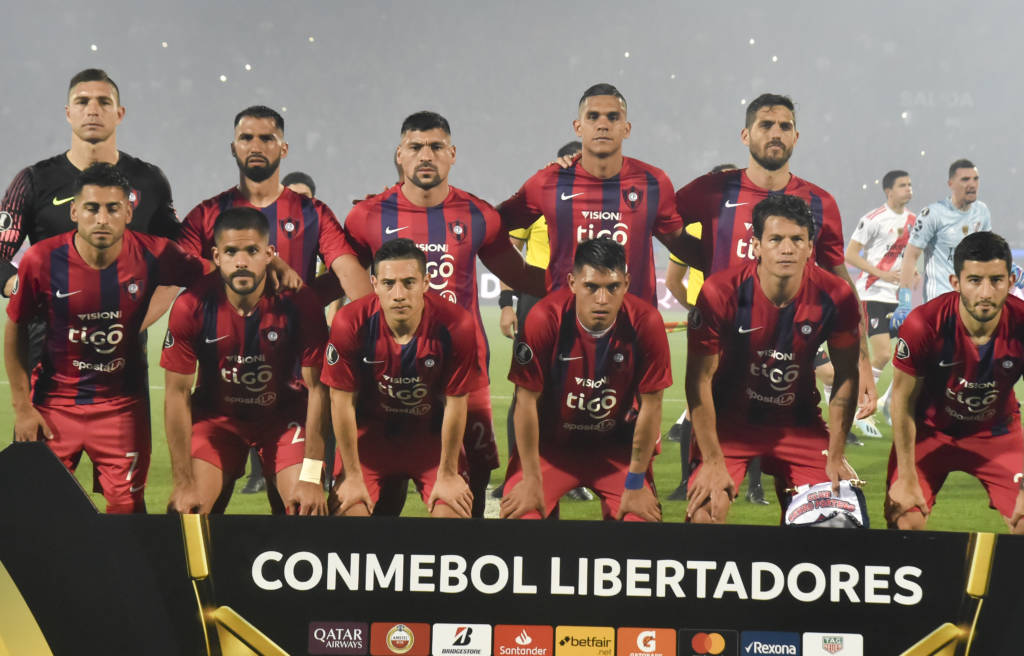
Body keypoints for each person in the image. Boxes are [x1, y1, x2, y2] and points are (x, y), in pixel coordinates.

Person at [342, 111, 546, 517]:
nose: (426, 155)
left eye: (436, 147)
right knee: (387, 481)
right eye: (415, 147)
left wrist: (579, 283)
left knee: (472, 480)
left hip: (464, 370)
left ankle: (465, 556)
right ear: (399, 154)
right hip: (388, 372)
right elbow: (342, 279)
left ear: (452, 154)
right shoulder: (367, 216)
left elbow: (520, 275)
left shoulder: (478, 215)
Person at [4, 163, 205, 513]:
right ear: (74, 212)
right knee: (38, 512)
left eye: (112, 209)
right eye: (92, 208)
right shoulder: (41, 259)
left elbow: (214, 275)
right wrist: (23, 408)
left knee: (127, 514)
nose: (101, 219)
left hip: (122, 410)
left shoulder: (155, 253)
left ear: (128, 212)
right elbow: (15, 329)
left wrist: (273, 270)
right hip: (53, 406)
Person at [675, 93, 876, 417]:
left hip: (789, 372)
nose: (776, 133)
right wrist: (703, 257)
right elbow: (659, 222)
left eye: (785, 126)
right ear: (745, 135)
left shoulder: (819, 202)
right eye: (766, 125)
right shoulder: (712, 190)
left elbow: (841, 286)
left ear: (796, 136)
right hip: (720, 365)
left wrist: (862, 361)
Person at [685, 194, 861, 524]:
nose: (787, 249)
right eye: (776, 239)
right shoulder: (720, 291)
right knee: (705, 516)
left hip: (799, 425)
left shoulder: (836, 296)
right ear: (756, 246)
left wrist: (836, 454)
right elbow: (698, 380)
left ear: (810, 248)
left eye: (797, 239)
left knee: (834, 522)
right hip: (729, 426)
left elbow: (847, 375)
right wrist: (711, 460)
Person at [0, 68, 181, 367]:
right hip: (47, 354)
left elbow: (181, 256)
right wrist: (19, 288)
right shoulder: (34, 180)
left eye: (104, 102)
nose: (93, 110)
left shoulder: (149, 181)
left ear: (119, 113)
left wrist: (135, 322)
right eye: (82, 102)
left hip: (122, 361)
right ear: (68, 113)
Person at [161, 207, 328, 514]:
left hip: (283, 419)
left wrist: (311, 476)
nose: (241, 262)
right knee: (188, 512)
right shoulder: (191, 305)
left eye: (251, 251)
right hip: (216, 420)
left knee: (306, 508)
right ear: (216, 256)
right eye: (230, 252)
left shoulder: (300, 302)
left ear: (269, 254)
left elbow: (319, 389)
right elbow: (176, 393)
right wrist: (183, 482)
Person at [500, 238, 669, 521]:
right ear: (573, 282)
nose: (602, 299)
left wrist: (635, 482)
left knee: (640, 526)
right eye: (591, 287)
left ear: (626, 284)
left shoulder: (646, 322)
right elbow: (525, 402)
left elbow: (652, 406)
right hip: (550, 451)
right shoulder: (544, 318)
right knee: (522, 521)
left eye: (612, 287)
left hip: (616, 453)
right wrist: (531, 479)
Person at [497, 82, 700, 306]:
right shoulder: (549, 181)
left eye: (613, 117)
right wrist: (532, 282)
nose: (603, 125)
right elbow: (492, 225)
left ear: (626, 129)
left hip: (634, 323)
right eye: (593, 117)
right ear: (578, 127)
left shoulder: (654, 182)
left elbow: (680, 244)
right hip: (567, 321)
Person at [322, 239, 484, 518]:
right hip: (370, 440)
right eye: (388, 283)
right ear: (374, 284)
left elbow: (456, 404)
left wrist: (448, 474)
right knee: (349, 519)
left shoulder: (456, 324)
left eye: (409, 283)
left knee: (452, 520)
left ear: (426, 283)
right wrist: (352, 475)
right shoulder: (350, 322)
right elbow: (341, 403)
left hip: (431, 440)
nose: (398, 294)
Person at [885, 231, 1024, 533]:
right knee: (906, 521)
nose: (986, 293)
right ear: (955, 282)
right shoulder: (924, 324)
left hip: (997, 434)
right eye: (974, 280)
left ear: (1011, 281)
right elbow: (902, 401)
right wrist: (906, 477)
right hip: (929, 432)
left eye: (996, 280)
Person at [178, 105, 370, 306]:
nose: (256, 147)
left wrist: (308, 298)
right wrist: (249, 266)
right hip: (223, 326)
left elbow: (347, 272)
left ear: (284, 149)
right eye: (246, 138)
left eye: (266, 139)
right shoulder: (206, 214)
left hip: (295, 326)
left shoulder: (314, 213)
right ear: (233, 148)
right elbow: (178, 266)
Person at [495, 139, 594, 503]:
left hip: (584, 301)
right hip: (536, 301)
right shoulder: (540, 199)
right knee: (526, 387)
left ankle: (569, 475)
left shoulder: (602, 205)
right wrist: (507, 304)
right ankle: (517, 472)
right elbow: (509, 249)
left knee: (576, 389)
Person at [239, 169, 320, 496]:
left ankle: (317, 471)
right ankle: (258, 473)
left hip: (309, 331)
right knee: (259, 395)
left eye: (304, 197)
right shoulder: (263, 239)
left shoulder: (319, 234)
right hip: (267, 331)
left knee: (317, 400)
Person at [845, 170, 915, 427]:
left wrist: (912, 272)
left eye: (910, 185)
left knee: (911, 353)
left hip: (898, 298)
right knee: (883, 353)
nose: (908, 189)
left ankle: (885, 401)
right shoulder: (873, 219)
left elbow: (909, 256)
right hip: (872, 294)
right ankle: (862, 410)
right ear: (889, 191)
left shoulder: (914, 221)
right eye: (902, 185)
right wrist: (881, 273)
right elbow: (850, 255)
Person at [891, 159, 991, 329]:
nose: (972, 184)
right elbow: (911, 255)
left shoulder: (982, 212)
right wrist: (905, 301)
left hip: (972, 304)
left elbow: (988, 251)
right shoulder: (933, 214)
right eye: (965, 179)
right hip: (940, 304)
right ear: (951, 184)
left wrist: (1009, 268)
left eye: (975, 179)